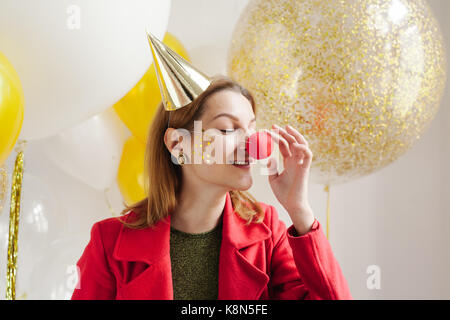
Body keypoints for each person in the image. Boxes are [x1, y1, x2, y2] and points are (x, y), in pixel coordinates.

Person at [71, 32, 352, 300]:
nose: (252, 143)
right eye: (228, 129)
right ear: (178, 144)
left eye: (251, 128)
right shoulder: (109, 242)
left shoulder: (268, 235)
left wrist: (299, 211)